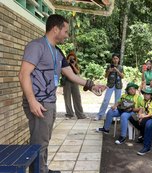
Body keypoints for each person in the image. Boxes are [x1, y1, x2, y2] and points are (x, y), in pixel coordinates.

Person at [18, 14, 106, 173]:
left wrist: (92, 86)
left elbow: (71, 75)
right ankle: (38, 171)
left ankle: (43, 168)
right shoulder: (36, 46)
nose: (67, 35)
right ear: (55, 29)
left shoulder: (57, 52)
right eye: (65, 31)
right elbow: (23, 74)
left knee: (44, 140)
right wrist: (32, 101)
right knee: (39, 142)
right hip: (39, 103)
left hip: (49, 103)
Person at [95, 53, 124, 120]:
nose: (115, 60)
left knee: (117, 101)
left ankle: (116, 116)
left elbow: (122, 76)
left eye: (116, 58)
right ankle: (100, 115)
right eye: (114, 58)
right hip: (110, 85)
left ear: (118, 59)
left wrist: (117, 71)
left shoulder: (120, 67)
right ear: (112, 59)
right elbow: (105, 76)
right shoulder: (109, 66)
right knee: (106, 100)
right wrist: (109, 71)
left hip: (118, 85)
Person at [63, 51, 86, 119]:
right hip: (67, 82)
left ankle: (80, 114)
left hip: (75, 82)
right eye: (70, 58)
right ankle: (69, 114)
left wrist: (73, 65)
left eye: (73, 58)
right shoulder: (65, 64)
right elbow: (63, 73)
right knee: (67, 98)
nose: (72, 60)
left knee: (77, 97)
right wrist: (67, 63)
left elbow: (77, 72)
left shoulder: (75, 64)